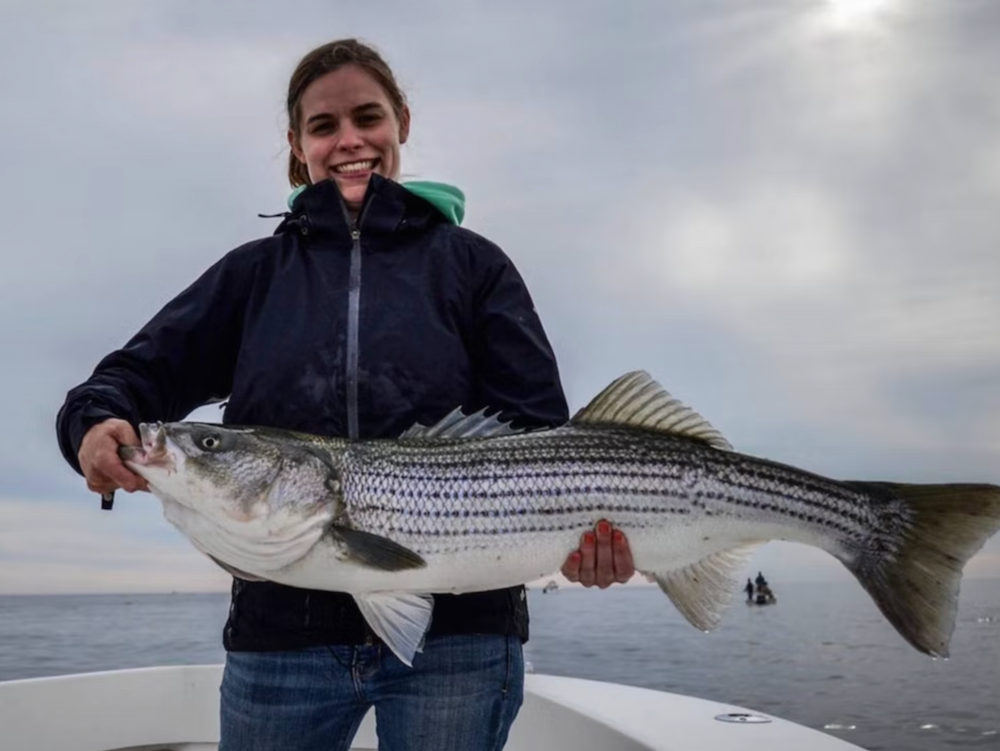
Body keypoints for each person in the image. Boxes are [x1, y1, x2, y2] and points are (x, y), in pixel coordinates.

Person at [56, 39, 635, 751]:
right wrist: (94, 420)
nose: (349, 141)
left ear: (402, 123)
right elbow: (130, 377)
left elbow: (543, 434)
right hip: (279, 643)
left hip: (458, 645)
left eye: (368, 117)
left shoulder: (472, 266)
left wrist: (585, 534)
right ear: (297, 145)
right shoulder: (254, 276)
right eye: (324, 126)